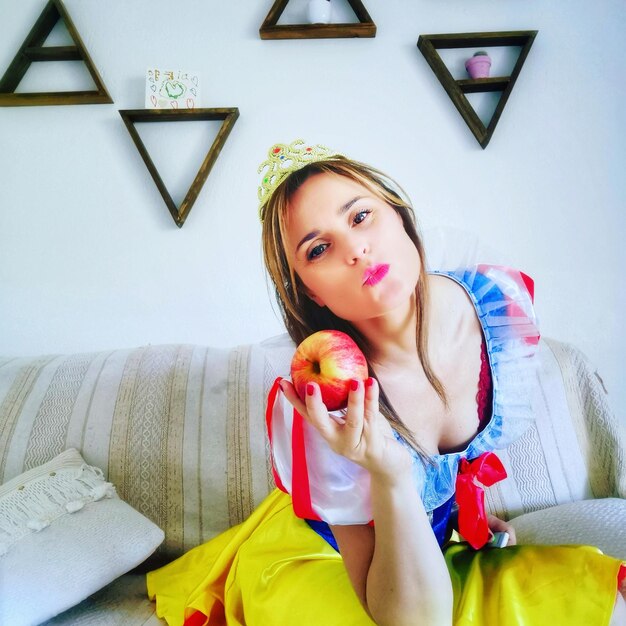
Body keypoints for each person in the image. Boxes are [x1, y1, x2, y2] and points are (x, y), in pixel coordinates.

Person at [147, 140, 626, 626]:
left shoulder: (498, 310)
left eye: (360, 217)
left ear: (398, 213)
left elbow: (460, 458)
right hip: (332, 563)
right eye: (319, 248)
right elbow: (411, 621)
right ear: (310, 291)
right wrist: (391, 474)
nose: (355, 249)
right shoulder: (323, 408)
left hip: (426, 553)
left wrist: (464, 515)